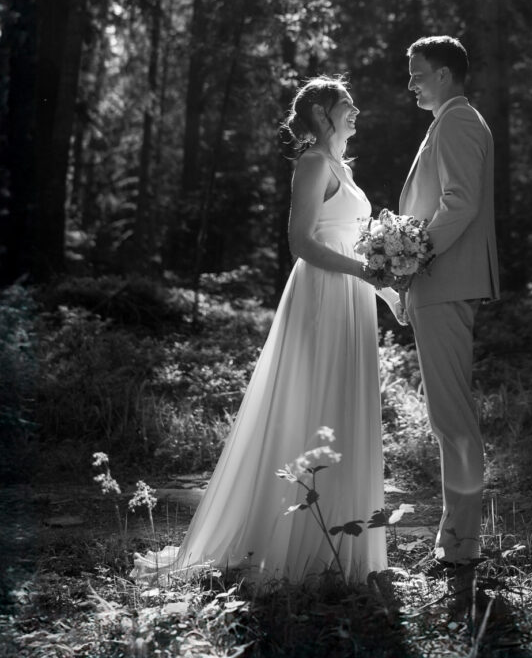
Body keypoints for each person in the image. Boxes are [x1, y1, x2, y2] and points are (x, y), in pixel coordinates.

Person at [132, 77, 402, 587]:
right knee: (316, 403)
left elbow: (356, 244)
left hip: (352, 296)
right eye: (347, 104)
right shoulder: (314, 163)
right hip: (323, 296)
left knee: (345, 403)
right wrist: (365, 275)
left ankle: (344, 549)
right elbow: (301, 242)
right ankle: (300, 547)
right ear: (323, 113)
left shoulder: (343, 168)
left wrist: (386, 292)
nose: (357, 110)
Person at [399, 36, 499, 574]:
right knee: (447, 416)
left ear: (443, 75)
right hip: (438, 284)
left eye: (417, 74)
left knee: (452, 417)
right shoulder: (449, 122)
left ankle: (463, 543)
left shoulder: (459, 121)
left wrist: (412, 256)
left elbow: (460, 202)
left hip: (445, 281)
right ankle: (455, 536)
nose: (411, 83)